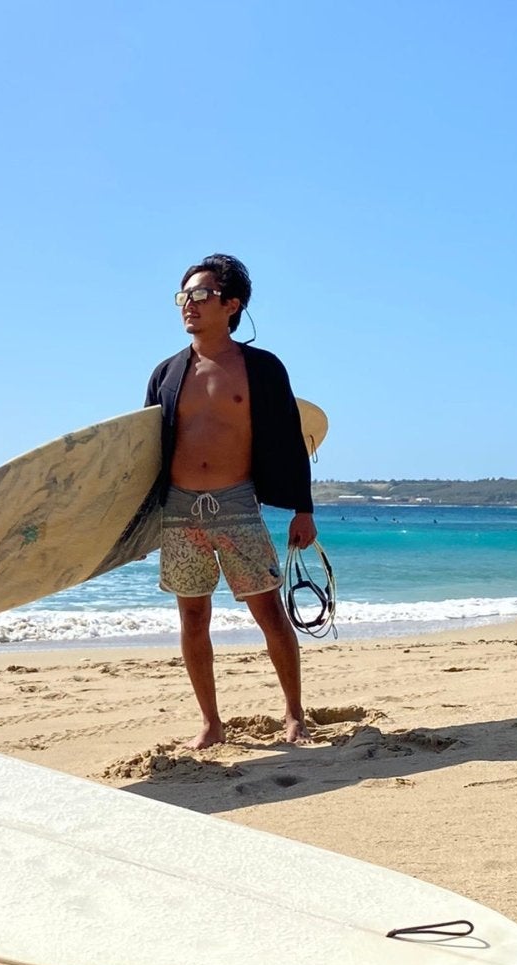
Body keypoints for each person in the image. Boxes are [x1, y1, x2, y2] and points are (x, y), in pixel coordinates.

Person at [142, 254, 317, 748]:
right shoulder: (167, 373)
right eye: (184, 296)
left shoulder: (261, 369)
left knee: (268, 611)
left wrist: (303, 508)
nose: (189, 305)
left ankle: (293, 714)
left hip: (237, 502)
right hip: (179, 510)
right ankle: (210, 723)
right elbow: (144, 451)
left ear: (232, 303)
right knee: (193, 617)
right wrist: (135, 527)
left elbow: (289, 438)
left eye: (201, 295)